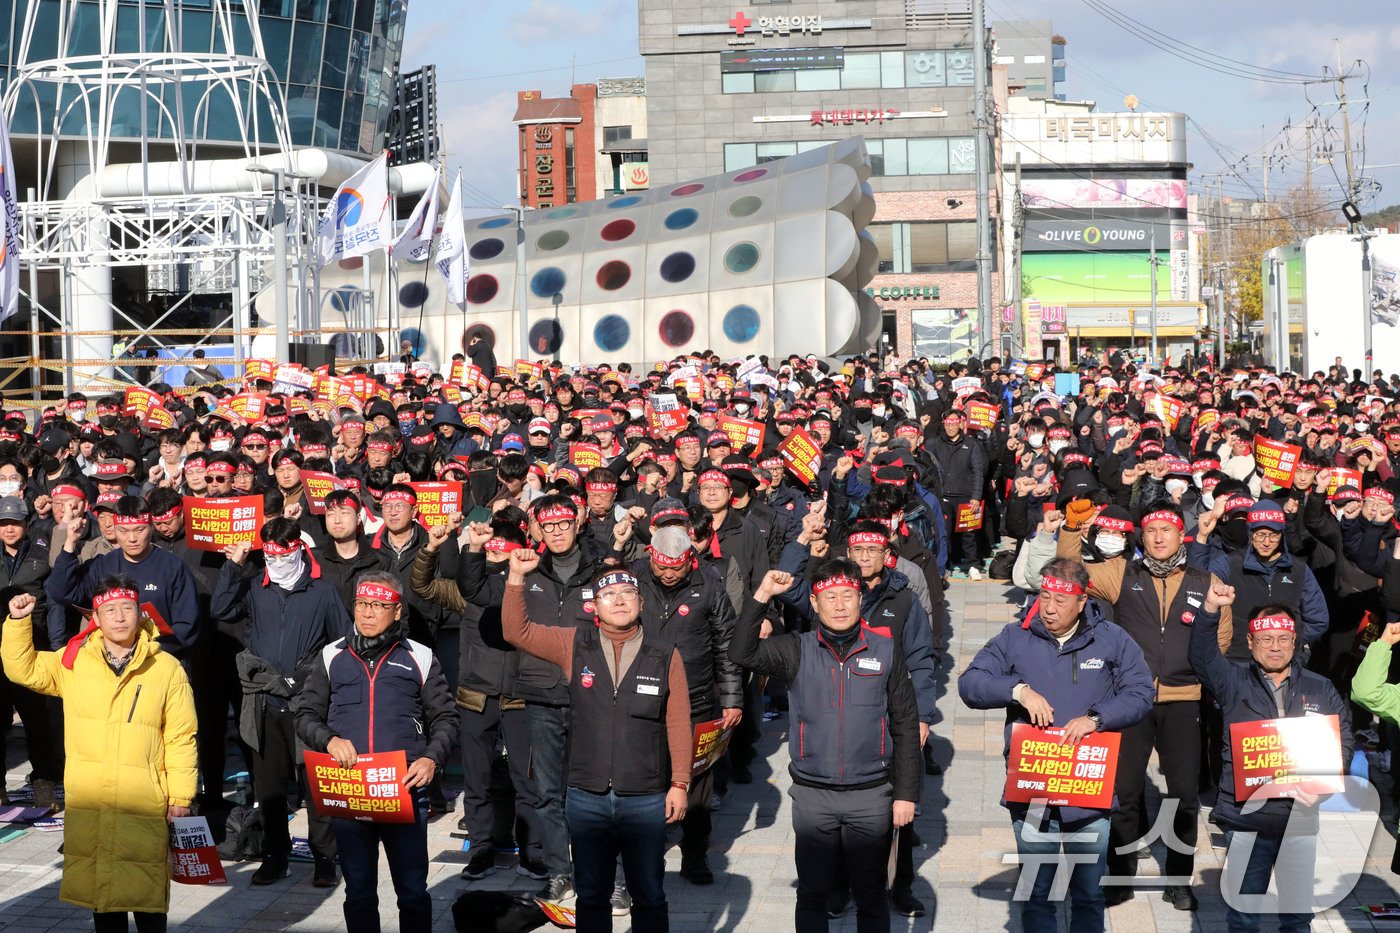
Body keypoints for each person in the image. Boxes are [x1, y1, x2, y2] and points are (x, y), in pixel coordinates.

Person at [959, 557, 1154, 933]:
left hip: (1087, 787)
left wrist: (1097, 718)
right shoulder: (1015, 637)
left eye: (1059, 601)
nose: (1048, 608)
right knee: (1036, 893)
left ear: (1081, 602)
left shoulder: (1111, 639)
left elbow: (1142, 693)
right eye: (1043, 597)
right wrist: (1017, 690)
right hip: (1033, 786)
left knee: (1088, 893)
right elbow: (970, 684)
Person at [502, 550, 691, 933]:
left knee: (650, 892)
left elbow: (678, 722)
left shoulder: (664, 654)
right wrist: (516, 578)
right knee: (591, 894)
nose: (619, 600)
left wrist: (680, 783)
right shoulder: (574, 643)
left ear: (641, 602)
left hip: (645, 795)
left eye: (627, 593)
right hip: (586, 794)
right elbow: (516, 631)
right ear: (595, 607)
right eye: (609, 595)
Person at [731, 560, 921, 933]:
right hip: (813, 795)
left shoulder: (885, 650)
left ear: (859, 600)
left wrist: (906, 794)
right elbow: (741, 652)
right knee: (813, 893)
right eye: (828, 597)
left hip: (871, 795)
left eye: (847, 596)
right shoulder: (796, 649)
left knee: (870, 894)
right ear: (814, 605)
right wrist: (763, 595)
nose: (838, 605)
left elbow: (905, 724)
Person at [1055, 503, 1228, 909]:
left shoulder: (1205, 580)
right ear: (1142, 537)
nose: (1159, 537)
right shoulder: (1123, 573)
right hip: (1131, 700)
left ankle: (1178, 880)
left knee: (1184, 796)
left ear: (1180, 534)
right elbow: (1067, 570)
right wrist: (1072, 527)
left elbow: (1221, 637)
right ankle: (1119, 877)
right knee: (1125, 793)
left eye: (1167, 529)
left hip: (1184, 700)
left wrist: (1197, 674)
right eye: (1152, 531)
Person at [2, 579, 197, 933]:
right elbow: (23, 669)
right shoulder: (74, 661)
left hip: (144, 797)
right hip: (91, 798)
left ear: (140, 614)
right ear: (96, 618)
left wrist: (181, 795)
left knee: (147, 893)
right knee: (101, 895)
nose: (119, 618)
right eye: (110, 610)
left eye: (127, 609)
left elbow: (181, 736)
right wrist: (17, 622)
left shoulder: (166, 667)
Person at [293, 571, 457, 933]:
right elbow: (304, 714)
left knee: (412, 891)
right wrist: (328, 740)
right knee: (359, 891)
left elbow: (446, 717)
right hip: (350, 790)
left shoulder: (420, 656)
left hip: (403, 789)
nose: (367, 613)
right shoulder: (332, 654)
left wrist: (432, 758)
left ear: (397, 612)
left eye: (378, 606)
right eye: (362, 604)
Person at [1190, 587, 1351, 933]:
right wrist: (1209, 611)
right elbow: (1201, 657)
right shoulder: (1232, 681)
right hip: (1248, 818)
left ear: (1295, 642)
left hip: (1300, 818)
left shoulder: (1320, 687)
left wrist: (1322, 789)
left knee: (1297, 918)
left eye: (1282, 638)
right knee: (1244, 916)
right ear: (1250, 642)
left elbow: (1344, 740)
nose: (1275, 646)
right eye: (1266, 639)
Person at [212, 518, 350, 887]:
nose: (276, 559)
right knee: (269, 788)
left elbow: (342, 642)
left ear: (299, 548)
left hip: (309, 704)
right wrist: (234, 564)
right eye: (268, 553)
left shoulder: (322, 591)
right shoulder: (257, 586)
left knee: (316, 787)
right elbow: (222, 610)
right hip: (265, 703)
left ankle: (325, 858)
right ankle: (275, 856)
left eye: (283, 552)